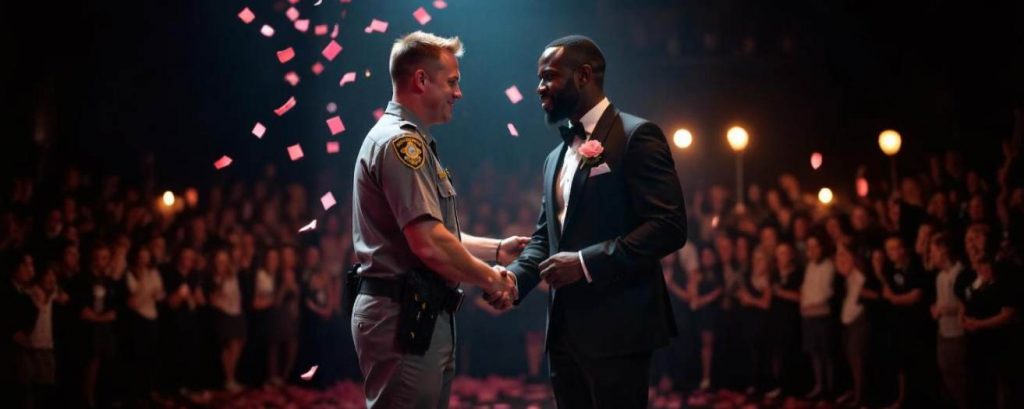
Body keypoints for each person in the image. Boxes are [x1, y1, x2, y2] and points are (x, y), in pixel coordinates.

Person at [496, 35, 687, 408]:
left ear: (583, 75)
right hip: (563, 333)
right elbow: (543, 239)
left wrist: (585, 263)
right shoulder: (555, 157)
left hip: (619, 330)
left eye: (549, 76)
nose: (539, 88)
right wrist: (513, 279)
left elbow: (669, 225)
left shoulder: (637, 136)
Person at [349, 31, 525, 408]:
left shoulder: (410, 141)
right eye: (452, 81)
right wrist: (491, 278)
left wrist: (497, 250)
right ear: (421, 80)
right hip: (402, 315)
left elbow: (435, 235)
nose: (458, 93)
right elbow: (428, 243)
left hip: (417, 313)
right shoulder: (402, 144)